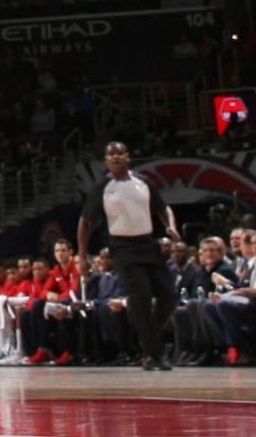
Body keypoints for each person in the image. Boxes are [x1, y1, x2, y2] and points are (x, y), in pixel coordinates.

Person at [75, 142, 179, 370]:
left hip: (149, 244)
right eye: (111, 154)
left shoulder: (143, 182)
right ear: (106, 160)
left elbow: (163, 208)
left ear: (128, 157)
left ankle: (148, 336)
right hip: (122, 248)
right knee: (140, 299)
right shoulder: (103, 187)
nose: (116, 158)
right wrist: (82, 257)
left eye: (120, 153)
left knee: (169, 295)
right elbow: (85, 223)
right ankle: (156, 354)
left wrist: (170, 226)